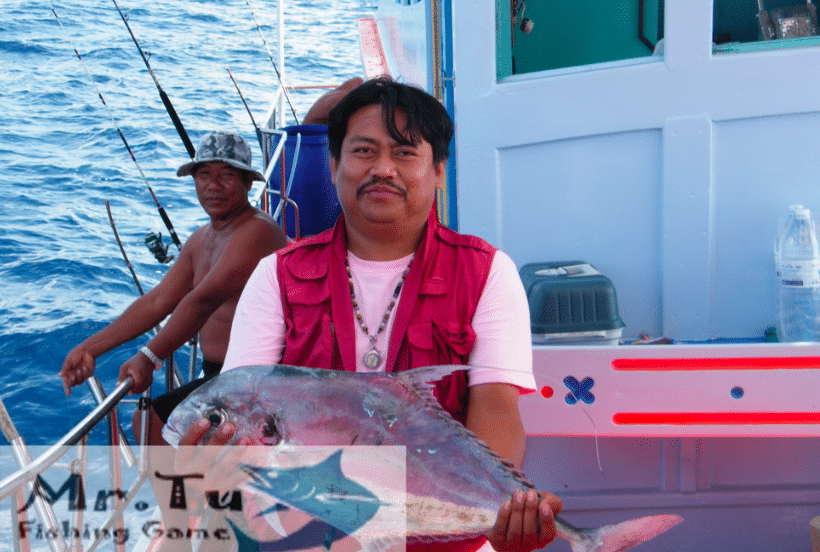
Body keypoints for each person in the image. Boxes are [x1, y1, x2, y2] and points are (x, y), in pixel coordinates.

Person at [179, 78, 562, 552]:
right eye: (363, 151)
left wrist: (504, 509)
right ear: (335, 164)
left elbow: (497, 407)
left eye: (405, 153)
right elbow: (243, 402)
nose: (383, 169)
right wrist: (213, 466)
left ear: (439, 170)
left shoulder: (487, 272)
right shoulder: (276, 275)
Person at [59, 130, 288, 441]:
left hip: (257, 379)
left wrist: (149, 356)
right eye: (204, 174)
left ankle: (190, 489)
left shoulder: (258, 230)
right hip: (218, 376)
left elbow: (203, 300)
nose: (213, 186)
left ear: (248, 182)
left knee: (157, 422)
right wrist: (89, 349)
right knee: (149, 420)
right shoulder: (200, 239)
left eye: (227, 175)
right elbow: (157, 302)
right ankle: (183, 490)